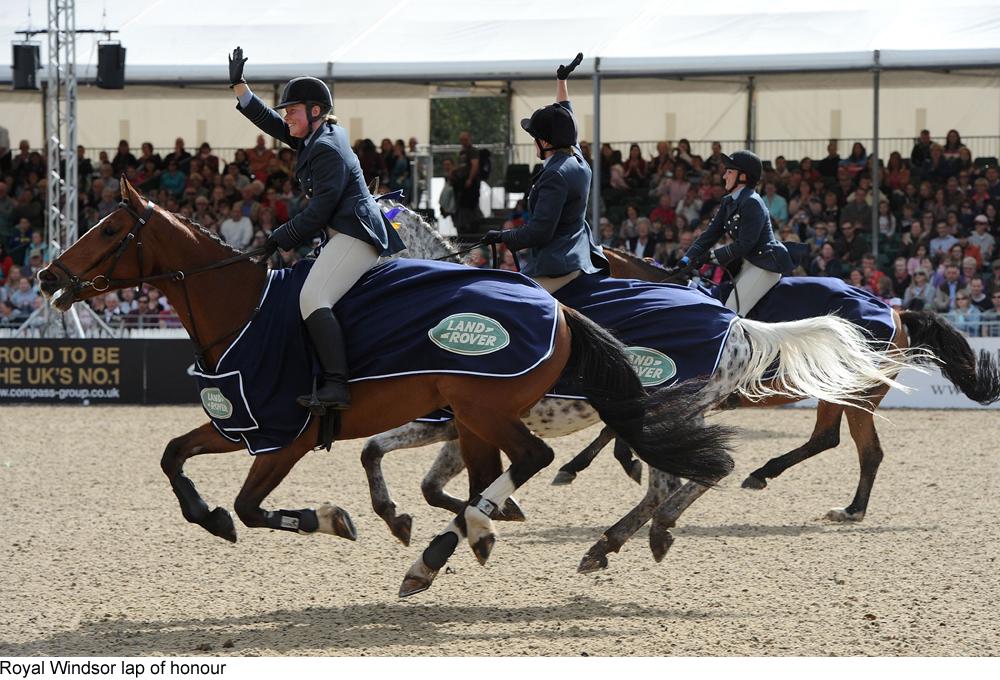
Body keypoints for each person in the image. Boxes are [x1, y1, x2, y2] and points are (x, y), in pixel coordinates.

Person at [229, 46, 405, 411]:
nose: (287, 117)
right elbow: (273, 124)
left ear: (314, 111)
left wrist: (277, 239)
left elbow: (320, 209)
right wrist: (240, 88)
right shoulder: (316, 136)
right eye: (288, 111)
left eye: (292, 110)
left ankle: (337, 386)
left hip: (355, 235)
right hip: (340, 233)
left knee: (312, 298)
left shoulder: (325, 148)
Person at [481, 53, 607, 293]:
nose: (533, 142)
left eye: (535, 138)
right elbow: (565, 116)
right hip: (578, 252)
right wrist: (562, 81)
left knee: (510, 300)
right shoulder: (576, 156)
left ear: (546, 142)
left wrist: (503, 236)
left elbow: (540, 232)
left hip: (556, 264)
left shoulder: (555, 175)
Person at [678, 150, 794, 316]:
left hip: (765, 266)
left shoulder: (752, 202)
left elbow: (746, 244)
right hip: (748, 264)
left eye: (729, 172)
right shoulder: (728, 201)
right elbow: (710, 234)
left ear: (743, 177)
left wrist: (710, 257)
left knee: (731, 311)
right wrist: (686, 259)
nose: (724, 176)